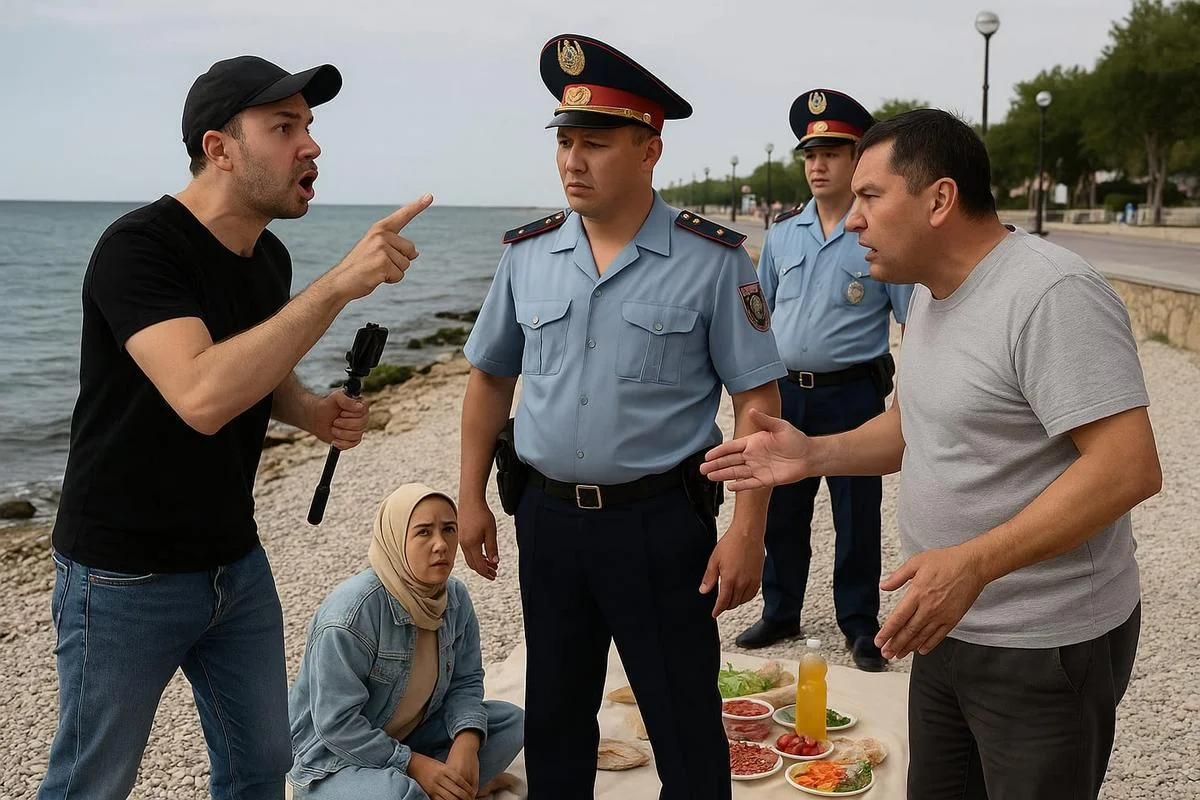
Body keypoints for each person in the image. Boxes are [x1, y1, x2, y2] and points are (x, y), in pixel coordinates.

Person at [701, 109, 1161, 800]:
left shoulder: (1049, 293)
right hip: (943, 622)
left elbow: (1128, 466)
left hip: (1041, 646)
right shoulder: (931, 293)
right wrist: (812, 453)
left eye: (870, 196)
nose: (852, 219)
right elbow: (913, 425)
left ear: (940, 199)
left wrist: (972, 564)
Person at [39, 55, 434, 800]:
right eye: (284, 127)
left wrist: (311, 409)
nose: (310, 145)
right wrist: (341, 285)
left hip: (234, 567)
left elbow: (254, 364)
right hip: (123, 575)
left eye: (309, 126)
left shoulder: (267, 256)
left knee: (261, 767)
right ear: (218, 148)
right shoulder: (139, 248)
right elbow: (200, 392)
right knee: (92, 781)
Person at [457, 34, 785, 800]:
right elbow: (488, 379)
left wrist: (747, 530)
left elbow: (758, 403)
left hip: (659, 526)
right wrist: (471, 494)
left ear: (649, 150)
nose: (573, 161)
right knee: (557, 719)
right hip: (547, 520)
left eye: (595, 144)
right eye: (565, 142)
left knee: (683, 724)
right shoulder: (528, 255)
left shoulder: (715, 262)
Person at [734, 89, 913, 673]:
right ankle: (781, 609)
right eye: (809, 154)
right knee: (783, 509)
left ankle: (860, 622)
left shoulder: (878, 233)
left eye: (832, 153)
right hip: (788, 393)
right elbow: (760, 317)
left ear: (857, 158)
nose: (817, 165)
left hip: (855, 394)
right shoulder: (783, 235)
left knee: (857, 514)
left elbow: (915, 318)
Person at [288, 484, 524, 800]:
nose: (441, 544)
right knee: (397, 793)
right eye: (424, 533)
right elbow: (336, 725)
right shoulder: (350, 616)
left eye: (449, 529)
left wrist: (466, 740)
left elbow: (465, 682)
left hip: (412, 735)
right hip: (334, 759)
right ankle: (436, 787)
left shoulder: (454, 598)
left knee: (512, 723)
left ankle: (444, 787)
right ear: (396, 539)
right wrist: (414, 765)